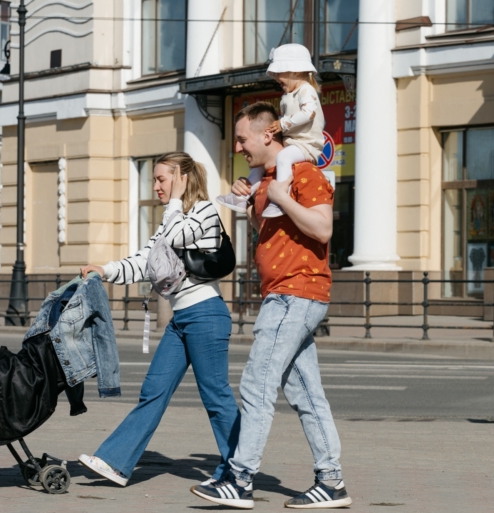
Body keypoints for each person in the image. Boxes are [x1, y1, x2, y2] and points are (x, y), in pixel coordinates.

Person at [191, 103, 352, 509]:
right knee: (305, 393)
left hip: (295, 293)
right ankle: (331, 481)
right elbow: (273, 233)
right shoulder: (267, 181)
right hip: (284, 292)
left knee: (257, 384)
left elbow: (322, 227)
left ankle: (240, 479)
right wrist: (251, 205)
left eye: (243, 139)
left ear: (268, 135)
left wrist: (281, 195)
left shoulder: (304, 173)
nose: (239, 147)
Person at [77, 152, 240, 487]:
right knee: (153, 390)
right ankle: (116, 462)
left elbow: (177, 236)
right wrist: (105, 269)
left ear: (182, 178)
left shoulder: (204, 212)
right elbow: (145, 261)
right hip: (181, 319)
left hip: (206, 314)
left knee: (215, 395)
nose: (156, 187)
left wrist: (177, 201)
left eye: (162, 179)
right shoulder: (172, 217)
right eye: (154, 179)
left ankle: (240, 469)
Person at [216, 43, 325, 219]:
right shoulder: (289, 94)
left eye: (278, 72)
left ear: (295, 71)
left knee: (283, 157)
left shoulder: (306, 90)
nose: (275, 77)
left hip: (307, 144)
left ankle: (280, 198)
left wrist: (283, 124)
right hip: (294, 142)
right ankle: (242, 197)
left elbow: (309, 113)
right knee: (260, 169)